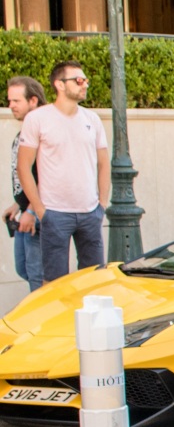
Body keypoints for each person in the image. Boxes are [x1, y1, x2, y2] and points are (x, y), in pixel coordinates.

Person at [17, 61, 109, 284]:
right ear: (59, 84)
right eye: (79, 80)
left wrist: (102, 205)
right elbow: (23, 167)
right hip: (55, 213)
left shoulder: (92, 119)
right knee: (54, 284)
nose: (85, 84)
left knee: (94, 281)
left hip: (90, 212)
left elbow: (104, 163)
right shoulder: (37, 119)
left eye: (86, 80)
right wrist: (40, 210)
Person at [5, 76, 45, 291]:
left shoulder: (42, 132)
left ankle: (43, 323)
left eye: (16, 101)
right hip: (26, 210)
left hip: (36, 212)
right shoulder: (24, 132)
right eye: (9, 101)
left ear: (33, 100)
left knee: (38, 276)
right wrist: (17, 205)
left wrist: (30, 210)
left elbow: (45, 176)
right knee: (25, 269)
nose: (10, 106)